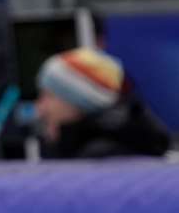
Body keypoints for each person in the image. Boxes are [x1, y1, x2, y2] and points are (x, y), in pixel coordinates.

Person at [34, 47, 172, 159]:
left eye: (48, 95)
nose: (40, 107)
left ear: (82, 100)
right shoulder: (117, 145)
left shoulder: (102, 159)